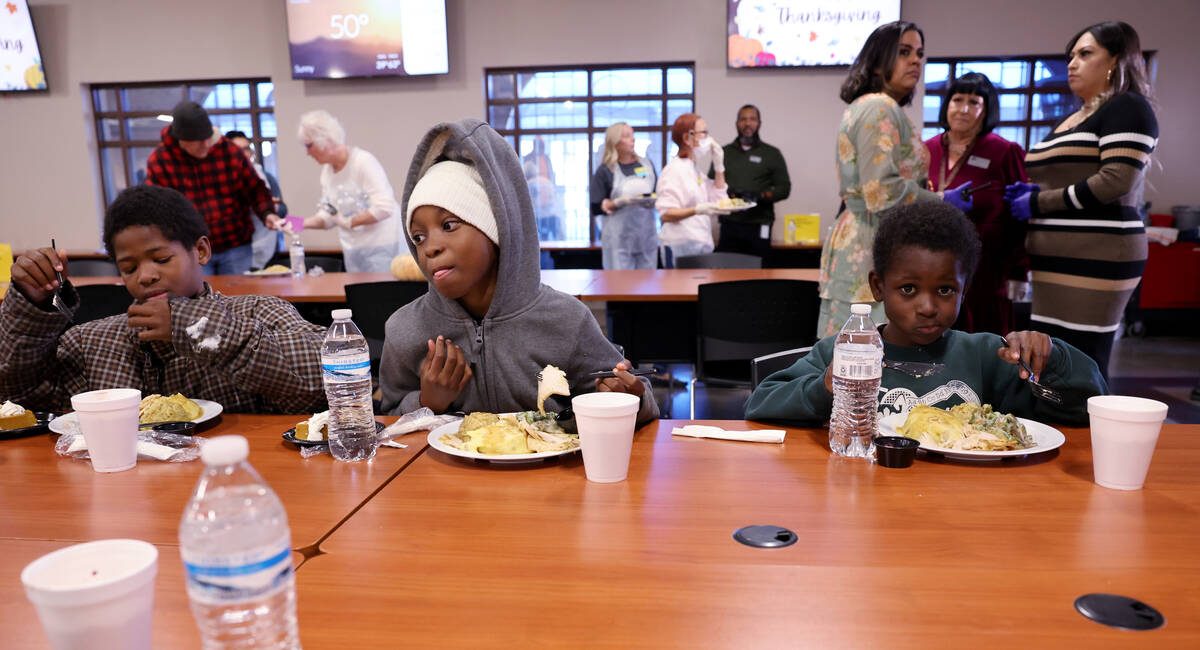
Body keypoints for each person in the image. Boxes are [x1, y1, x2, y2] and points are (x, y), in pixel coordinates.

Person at [379, 118, 658, 424]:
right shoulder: (405, 329)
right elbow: (388, 414)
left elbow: (638, 400)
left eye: (449, 225)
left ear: (495, 228)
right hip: (444, 472)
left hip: (551, 471)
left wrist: (626, 398)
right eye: (418, 237)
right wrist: (426, 402)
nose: (430, 248)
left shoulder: (565, 319)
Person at [745, 201, 1107, 425]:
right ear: (877, 287)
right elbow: (760, 404)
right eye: (908, 290)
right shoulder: (842, 353)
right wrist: (827, 387)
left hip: (958, 514)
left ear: (965, 289)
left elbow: (1086, 409)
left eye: (945, 290)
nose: (929, 307)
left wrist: (1054, 357)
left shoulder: (987, 355)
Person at [0, 185, 327, 414]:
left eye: (160, 259)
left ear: (200, 250)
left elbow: (323, 379)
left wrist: (195, 328)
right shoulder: (91, 343)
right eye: (129, 267)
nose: (145, 276)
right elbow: (19, 398)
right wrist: (32, 305)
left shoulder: (259, 311)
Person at [1006, 22, 1158, 379]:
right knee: (1051, 358)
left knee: (1082, 361)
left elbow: (1116, 180)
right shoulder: (1076, 116)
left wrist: (1039, 203)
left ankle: (1088, 433)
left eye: (1085, 54)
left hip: (1098, 256)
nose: (1072, 63)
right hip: (1055, 261)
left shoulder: (1128, 107)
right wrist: (1033, 193)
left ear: (1115, 61)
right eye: (1071, 55)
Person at [819, 21, 972, 337]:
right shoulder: (879, 107)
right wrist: (942, 201)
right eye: (904, 52)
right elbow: (881, 193)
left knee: (862, 356)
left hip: (867, 234)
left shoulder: (873, 106)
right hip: (873, 239)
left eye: (919, 53)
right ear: (877, 62)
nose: (916, 60)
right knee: (868, 357)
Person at [925, 73, 1029, 335]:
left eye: (974, 102)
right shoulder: (925, 150)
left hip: (985, 271)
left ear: (986, 110)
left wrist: (1019, 271)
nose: (963, 109)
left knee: (985, 341)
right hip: (930, 265)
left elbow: (1021, 217)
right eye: (957, 99)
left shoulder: (1004, 151)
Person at [145, 100, 282, 275]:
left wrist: (267, 213)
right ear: (182, 140)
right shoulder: (161, 160)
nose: (206, 145)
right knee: (199, 300)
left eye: (208, 139)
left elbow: (255, 188)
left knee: (237, 299)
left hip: (235, 245)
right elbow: (156, 208)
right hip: (192, 249)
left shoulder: (228, 151)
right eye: (198, 141)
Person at [296, 110, 402, 272]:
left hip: (382, 247)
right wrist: (295, 223)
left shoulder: (363, 162)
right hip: (353, 250)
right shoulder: (327, 173)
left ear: (325, 139)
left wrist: (351, 222)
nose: (307, 152)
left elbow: (384, 207)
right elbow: (329, 216)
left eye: (310, 145)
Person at [655, 113, 729, 266]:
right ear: (686, 138)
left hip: (701, 247)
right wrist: (698, 209)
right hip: (680, 248)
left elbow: (720, 202)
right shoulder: (673, 170)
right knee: (678, 290)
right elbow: (666, 214)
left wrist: (719, 166)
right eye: (703, 133)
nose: (707, 139)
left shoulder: (695, 172)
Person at [717, 104, 791, 258]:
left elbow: (784, 188)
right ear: (737, 123)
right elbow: (712, 184)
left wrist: (761, 195)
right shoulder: (724, 153)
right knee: (726, 274)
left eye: (752, 119)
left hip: (759, 223)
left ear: (759, 123)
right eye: (743, 119)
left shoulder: (771, 154)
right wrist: (728, 194)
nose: (748, 123)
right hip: (730, 223)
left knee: (759, 273)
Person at [590, 122, 658, 269]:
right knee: (620, 287)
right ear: (615, 142)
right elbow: (595, 206)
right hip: (619, 241)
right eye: (627, 136)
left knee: (649, 286)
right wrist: (618, 203)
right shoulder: (606, 170)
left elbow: (656, 191)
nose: (632, 139)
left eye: (633, 135)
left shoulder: (646, 165)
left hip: (646, 238)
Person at [225, 130, 288, 270]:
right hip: (238, 251)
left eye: (247, 148)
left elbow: (283, 210)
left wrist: (268, 208)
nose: (245, 154)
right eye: (239, 150)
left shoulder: (266, 177)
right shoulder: (224, 181)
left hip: (269, 247)